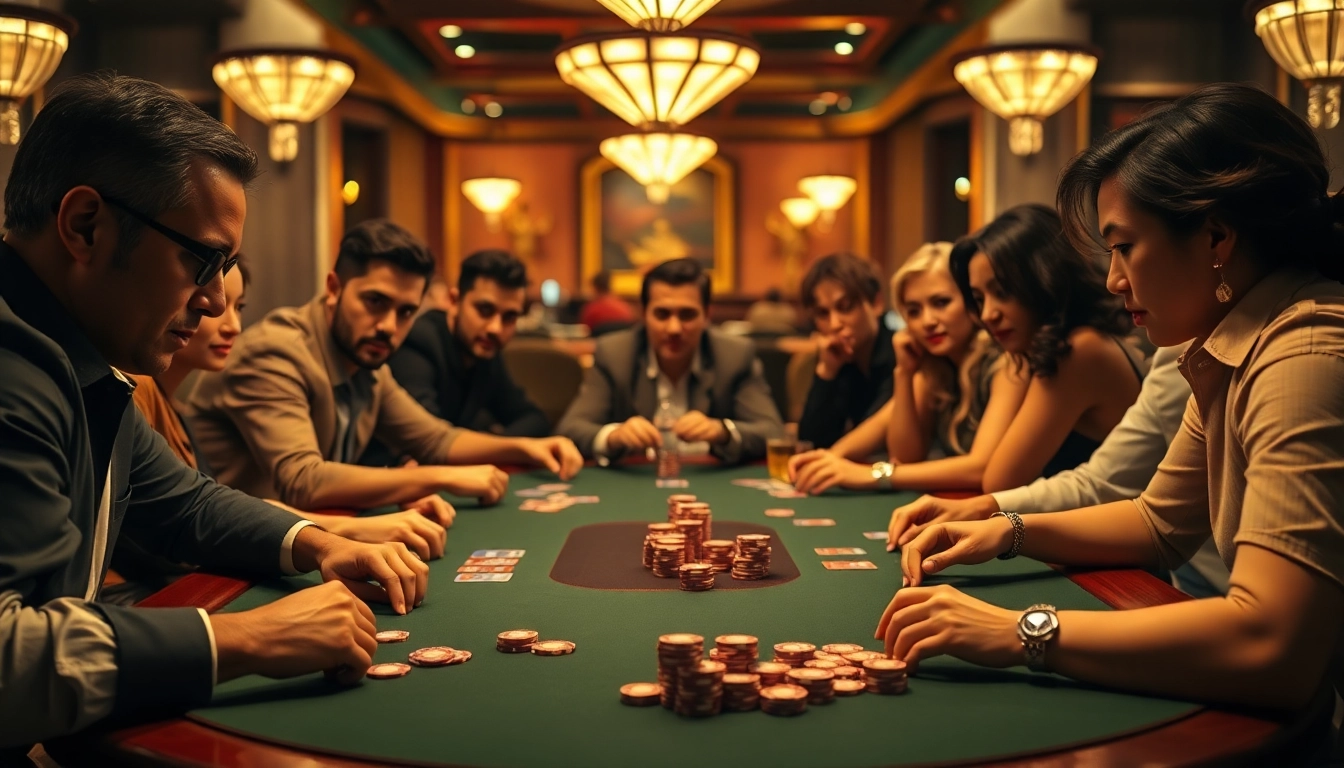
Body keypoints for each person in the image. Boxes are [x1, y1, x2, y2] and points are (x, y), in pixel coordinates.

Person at [879, 83, 1344, 720]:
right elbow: (1157, 523)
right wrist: (1005, 531)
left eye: (1124, 246)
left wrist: (1020, 630)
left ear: (1215, 238)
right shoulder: (1233, 342)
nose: (1112, 279)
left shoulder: (1304, 355)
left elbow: (1275, 648)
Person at [0, 73, 429, 751]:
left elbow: (185, 503)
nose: (211, 301)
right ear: (85, 226)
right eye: (202, 261)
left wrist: (322, 542)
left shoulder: (77, 360)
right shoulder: (12, 371)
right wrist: (251, 635)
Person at [182, 220, 583, 512]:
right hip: (215, 567)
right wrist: (438, 477)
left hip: (298, 535)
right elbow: (302, 480)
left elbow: (435, 440)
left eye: (406, 311)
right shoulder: (277, 351)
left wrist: (525, 446)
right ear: (335, 288)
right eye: (375, 302)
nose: (390, 326)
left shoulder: (367, 362)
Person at [127, 255, 454, 568]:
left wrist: (347, 530)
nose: (234, 326)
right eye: (213, 305)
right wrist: (347, 530)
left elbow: (213, 505)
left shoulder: (175, 410)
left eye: (238, 308)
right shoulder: (136, 395)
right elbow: (192, 523)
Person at [882, 340, 1232, 598]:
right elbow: (1144, 514)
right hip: (1185, 579)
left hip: (1214, 593)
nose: (1114, 280)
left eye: (1125, 248)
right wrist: (1000, 522)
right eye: (979, 298)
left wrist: (1026, 634)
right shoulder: (1184, 353)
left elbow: (995, 475)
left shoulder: (1075, 351)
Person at [789, 243, 1026, 493]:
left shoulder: (1006, 361)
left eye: (941, 302)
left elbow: (981, 468)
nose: (927, 321)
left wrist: (871, 474)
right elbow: (904, 455)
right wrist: (904, 373)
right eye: (914, 311)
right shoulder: (935, 367)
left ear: (971, 302)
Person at [556, 257, 786, 464]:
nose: (674, 328)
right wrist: (614, 436)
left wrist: (723, 431)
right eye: (662, 314)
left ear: (707, 315)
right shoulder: (614, 354)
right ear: (644, 313)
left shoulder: (735, 355)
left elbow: (774, 433)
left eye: (687, 315)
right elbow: (569, 430)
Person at [387, 249, 548, 438]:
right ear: (455, 301)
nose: (496, 328)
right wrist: (496, 446)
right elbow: (429, 439)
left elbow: (534, 419)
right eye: (485, 310)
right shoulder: (418, 342)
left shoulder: (486, 350)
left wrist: (494, 444)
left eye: (509, 317)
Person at [796, 253, 893, 449]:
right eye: (823, 313)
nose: (834, 324)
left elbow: (878, 440)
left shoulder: (903, 353)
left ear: (876, 303)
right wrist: (827, 371)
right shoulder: (836, 357)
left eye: (845, 307)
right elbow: (812, 441)